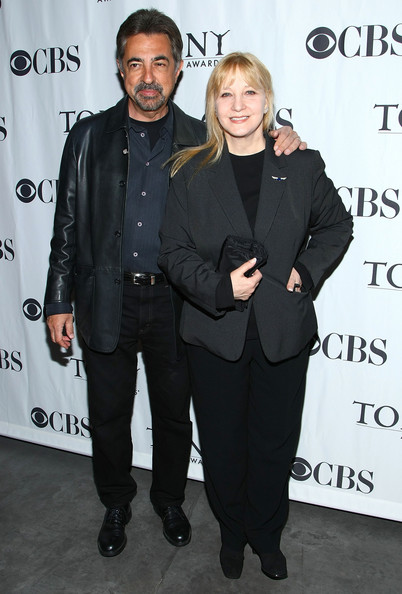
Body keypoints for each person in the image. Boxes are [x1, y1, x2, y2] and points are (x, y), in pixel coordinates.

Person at [44, 9, 306, 558]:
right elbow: (65, 222)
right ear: (120, 70)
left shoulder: (201, 135)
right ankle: (116, 502)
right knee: (108, 412)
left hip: (179, 300)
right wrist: (59, 299)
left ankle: (169, 499)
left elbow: (255, 155)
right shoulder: (88, 136)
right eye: (135, 63)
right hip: (106, 297)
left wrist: (285, 135)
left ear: (179, 69)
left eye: (159, 62)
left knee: (172, 412)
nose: (147, 75)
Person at [159, 52, 353, 580]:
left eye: (249, 92)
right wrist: (220, 288)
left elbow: (337, 226)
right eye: (226, 94)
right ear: (212, 105)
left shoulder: (300, 163)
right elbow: (173, 252)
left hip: (281, 330)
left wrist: (303, 272)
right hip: (213, 330)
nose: (238, 104)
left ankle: (267, 538)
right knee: (222, 445)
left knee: (273, 442)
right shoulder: (189, 171)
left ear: (267, 101)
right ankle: (233, 533)